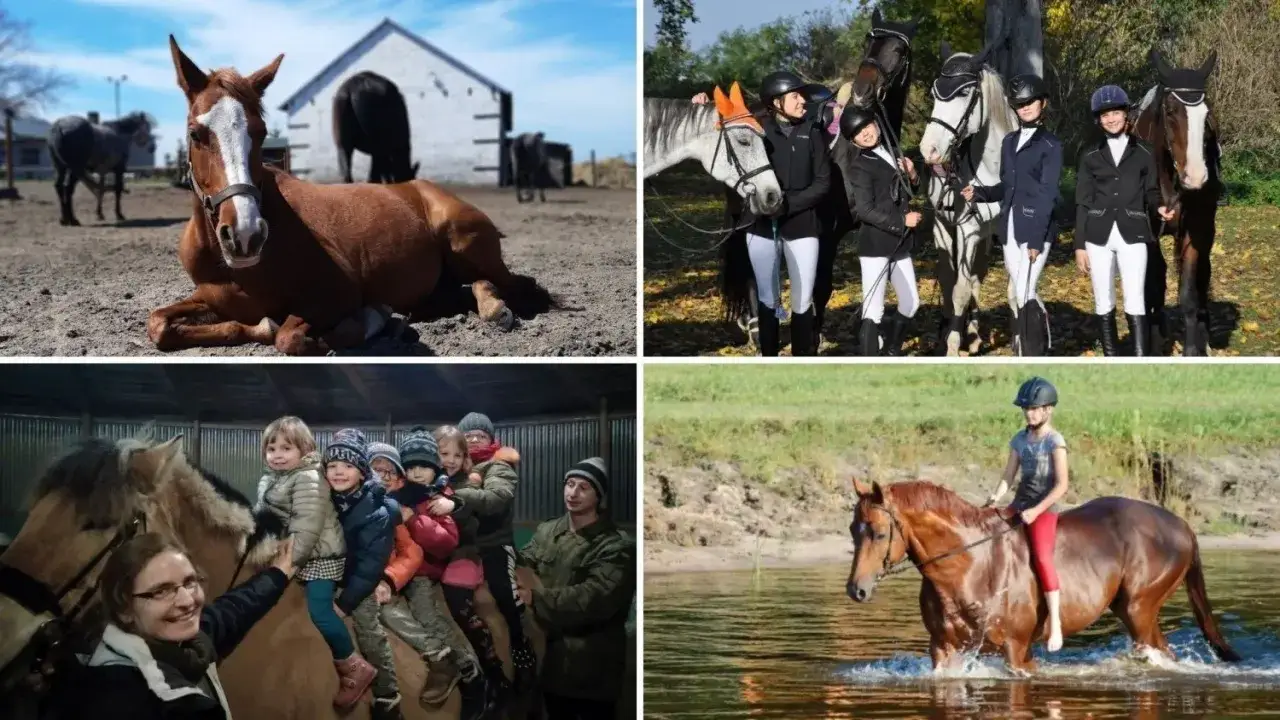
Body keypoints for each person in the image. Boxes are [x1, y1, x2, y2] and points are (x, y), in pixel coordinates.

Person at [55, 533, 295, 719]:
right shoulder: (126, 702)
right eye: (161, 591)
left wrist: (277, 574)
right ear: (124, 609)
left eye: (190, 582)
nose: (188, 601)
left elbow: (232, 611)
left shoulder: (182, 646)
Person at [692, 71, 832, 355]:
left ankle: (803, 356)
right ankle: (768, 355)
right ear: (777, 103)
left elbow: (823, 183)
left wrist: (788, 205)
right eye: (795, 96)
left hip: (803, 226)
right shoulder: (757, 130)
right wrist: (703, 109)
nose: (803, 101)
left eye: (802, 96)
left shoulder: (813, 133)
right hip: (760, 227)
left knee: (802, 299)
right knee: (768, 298)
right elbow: (723, 140)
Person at [368, 440, 488, 720]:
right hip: (397, 573)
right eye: (411, 467)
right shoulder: (394, 497)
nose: (418, 473)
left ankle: (469, 669)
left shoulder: (435, 498)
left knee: (427, 614)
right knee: (386, 612)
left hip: (424, 571)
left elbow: (445, 542)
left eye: (424, 466)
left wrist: (414, 520)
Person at [253, 416, 359, 707]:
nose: (277, 455)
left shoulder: (309, 478)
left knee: (320, 612)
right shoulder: (271, 479)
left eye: (286, 448)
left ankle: (352, 664)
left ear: (304, 449)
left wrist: (283, 567)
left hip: (319, 557)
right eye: (271, 448)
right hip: (286, 551)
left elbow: (307, 528)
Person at [519, 457, 635, 720]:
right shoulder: (547, 532)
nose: (573, 493)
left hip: (589, 672)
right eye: (570, 484)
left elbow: (595, 598)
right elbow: (523, 563)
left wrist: (535, 598)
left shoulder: (616, 546)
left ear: (599, 496)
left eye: (584, 487)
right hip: (547, 664)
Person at [961, 74, 1064, 356]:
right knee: (1021, 292)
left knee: (1025, 292)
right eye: (1019, 104)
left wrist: (1034, 239)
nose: (1025, 108)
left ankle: (1035, 351)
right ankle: (1030, 346)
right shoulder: (1009, 142)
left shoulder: (1051, 145)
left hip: (1035, 230)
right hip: (1009, 228)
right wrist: (980, 194)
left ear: (1042, 103)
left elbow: (1048, 195)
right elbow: (1007, 187)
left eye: (1030, 102)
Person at [1073, 85, 1175, 357]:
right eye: (1105, 115)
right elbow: (1082, 201)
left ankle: (1139, 359)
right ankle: (1111, 357)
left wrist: (1160, 208)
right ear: (1098, 119)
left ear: (1126, 114)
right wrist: (1080, 244)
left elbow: (1151, 192)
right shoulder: (1090, 155)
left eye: (1116, 113)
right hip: (1097, 235)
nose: (1111, 119)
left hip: (1134, 232)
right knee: (1103, 299)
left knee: (1135, 299)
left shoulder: (1144, 152)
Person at [983, 377, 1070, 652]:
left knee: (1043, 558)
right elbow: (1009, 475)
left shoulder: (1054, 441)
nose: (1029, 413)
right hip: (1019, 504)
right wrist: (996, 497)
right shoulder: (1019, 440)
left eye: (1034, 408)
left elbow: (1062, 485)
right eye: (1026, 409)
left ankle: (1055, 624)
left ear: (1048, 410)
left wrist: (1036, 511)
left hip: (1043, 509)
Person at [451, 412, 536, 691]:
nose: (475, 439)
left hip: (494, 544)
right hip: (463, 545)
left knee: (504, 592)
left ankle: (522, 651)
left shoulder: (499, 466)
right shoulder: (454, 468)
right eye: (469, 436)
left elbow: (495, 499)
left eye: (481, 435)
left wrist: (454, 496)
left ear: (491, 439)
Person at [427, 425, 510, 701]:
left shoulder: (466, 485)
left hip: (464, 553)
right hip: (435, 558)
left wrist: (454, 505)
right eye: (443, 453)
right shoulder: (424, 482)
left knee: (457, 600)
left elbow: (472, 524)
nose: (450, 460)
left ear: (465, 459)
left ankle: (492, 668)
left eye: (457, 455)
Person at [324, 428, 399, 710]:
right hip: (329, 573)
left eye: (347, 465)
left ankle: (388, 695)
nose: (339, 472)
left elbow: (370, 566)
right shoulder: (327, 500)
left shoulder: (379, 511)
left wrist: (346, 603)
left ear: (362, 473)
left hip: (359, 581)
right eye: (332, 465)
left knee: (368, 628)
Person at [840, 105, 922, 356]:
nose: (865, 134)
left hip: (899, 245)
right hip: (876, 245)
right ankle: (870, 361)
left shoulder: (895, 153)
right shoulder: (860, 167)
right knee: (873, 310)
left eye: (866, 127)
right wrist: (902, 220)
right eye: (858, 133)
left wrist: (913, 174)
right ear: (853, 140)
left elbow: (910, 191)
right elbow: (864, 210)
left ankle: (893, 349)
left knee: (911, 302)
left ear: (875, 124)